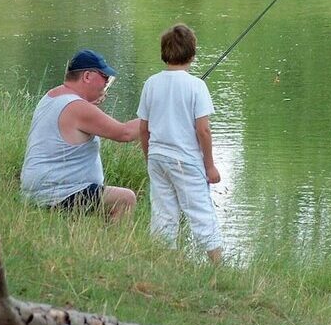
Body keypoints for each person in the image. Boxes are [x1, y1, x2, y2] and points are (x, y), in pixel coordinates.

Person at [137, 24, 222, 263]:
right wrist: (210, 166)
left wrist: (149, 158)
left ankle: (164, 263)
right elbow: (203, 130)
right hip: (186, 161)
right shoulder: (197, 86)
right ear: (192, 54)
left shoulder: (151, 83)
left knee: (163, 214)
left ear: (164, 52)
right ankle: (219, 269)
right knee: (201, 214)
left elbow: (144, 129)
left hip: (157, 157)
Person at [21, 49, 139, 220]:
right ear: (87, 76)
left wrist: (89, 103)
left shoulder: (53, 96)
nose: (106, 84)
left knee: (107, 196)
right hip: (56, 194)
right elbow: (125, 133)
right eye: (104, 78)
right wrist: (154, 116)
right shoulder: (77, 107)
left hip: (38, 190)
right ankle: (114, 245)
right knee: (125, 198)